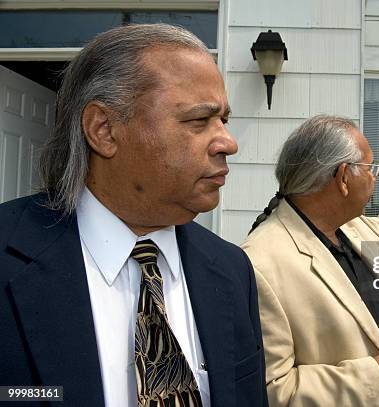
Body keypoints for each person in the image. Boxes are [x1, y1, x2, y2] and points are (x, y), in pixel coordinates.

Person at [0, 24, 267, 407]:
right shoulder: (8, 258)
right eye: (199, 120)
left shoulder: (231, 269)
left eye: (224, 119)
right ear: (104, 130)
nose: (228, 141)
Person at [242, 115, 379, 407]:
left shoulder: (349, 228)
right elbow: (270, 392)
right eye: (370, 167)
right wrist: (374, 382)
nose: (375, 177)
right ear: (343, 178)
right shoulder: (260, 264)